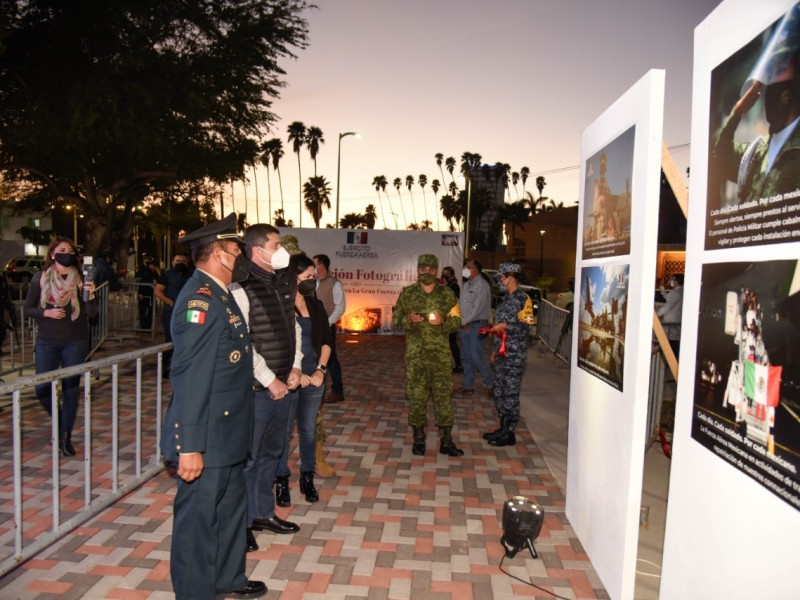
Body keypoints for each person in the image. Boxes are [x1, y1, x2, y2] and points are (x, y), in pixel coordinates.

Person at [159, 214, 266, 600]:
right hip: (207, 436)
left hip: (229, 434)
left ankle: (226, 579)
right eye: (238, 250)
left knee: (230, 512)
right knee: (198, 523)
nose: (243, 257)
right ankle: (195, 593)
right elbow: (191, 378)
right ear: (220, 254)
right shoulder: (200, 300)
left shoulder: (222, 295)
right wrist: (189, 445)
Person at [229, 224, 302, 554]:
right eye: (276, 244)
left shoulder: (282, 282)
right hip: (258, 390)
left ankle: (261, 513)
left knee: (272, 454)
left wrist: (296, 366)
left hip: (283, 385)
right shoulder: (241, 288)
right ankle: (240, 524)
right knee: (248, 457)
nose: (281, 249)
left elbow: (294, 328)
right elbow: (241, 341)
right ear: (258, 251)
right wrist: (268, 378)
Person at [24, 237, 97, 457]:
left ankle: (65, 436)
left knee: (70, 389)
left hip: (75, 341)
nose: (68, 253)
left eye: (71, 250)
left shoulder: (82, 279)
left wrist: (91, 295)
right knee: (41, 388)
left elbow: (93, 314)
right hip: (47, 340)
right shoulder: (40, 278)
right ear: (52, 254)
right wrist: (45, 312)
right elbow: (28, 308)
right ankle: (59, 419)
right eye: (62, 249)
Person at [392, 254, 464, 457]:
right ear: (417, 270)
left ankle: (447, 441)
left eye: (430, 269)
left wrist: (443, 321)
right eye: (422, 268)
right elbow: (396, 318)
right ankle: (419, 439)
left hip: (440, 357)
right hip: (416, 357)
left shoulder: (447, 295)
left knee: (443, 398)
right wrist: (408, 319)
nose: (426, 272)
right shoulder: (407, 294)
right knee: (416, 398)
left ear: (436, 270)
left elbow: (457, 320)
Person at [275, 251, 332, 504]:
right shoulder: (278, 303)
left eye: (314, 276)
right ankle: (281, 479)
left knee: (308, 429)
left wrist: (320, 369)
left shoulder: (315, 304)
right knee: (284, 430)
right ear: (292, 276)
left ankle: (307, 477)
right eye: (308, 276)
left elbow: (328, 341)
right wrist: (294, 373)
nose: (313, 280)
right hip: (288, 375)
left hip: (315, 374)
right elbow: (274, 345)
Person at [713, 47, 800, 204]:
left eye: (778, 74)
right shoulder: (757, 151)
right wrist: (737, 112)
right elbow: (720, 157)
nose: (768, 86)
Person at [483, 263, 535, 447]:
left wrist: (504, 326)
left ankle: (510, 432)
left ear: (510, 277)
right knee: (500, 392)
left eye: (501, 277)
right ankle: (503, 428)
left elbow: (527, 327)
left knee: (510, 393)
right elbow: (499, 332)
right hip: (502, 353)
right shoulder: (506, 299)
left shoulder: (522, 299)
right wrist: (495, 351)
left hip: (514, 355)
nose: (499, 281)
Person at [455, 258, 494, 397]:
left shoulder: (482, 285)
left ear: (475, 270)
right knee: (465, 356)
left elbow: (477, 309)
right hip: (465, 326)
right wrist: (460, 321)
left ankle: (492, 385)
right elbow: (461, 305)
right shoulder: (466, 285)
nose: (465, 269)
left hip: (476, 325)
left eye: (468, 267)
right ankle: (468, 385)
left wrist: (463, 322)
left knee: (476, 357)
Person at [312, 254, 346, 403]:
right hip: (312, 326)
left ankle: (338, 391)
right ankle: (315, 388)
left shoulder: (335, 283)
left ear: (323, 265)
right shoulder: (311, 282)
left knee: (331, 359)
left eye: (315, 265)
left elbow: (340, 308)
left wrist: (327, 323)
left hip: (327, 327)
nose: (313, 268)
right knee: (313, 357)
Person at [154, 252, 192, 377]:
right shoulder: (166, 275)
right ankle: (165, 367)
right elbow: (158, 291)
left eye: (183, 261)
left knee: (189, 338)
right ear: (172, 262)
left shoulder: (191, 274)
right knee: (170, 339)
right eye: (178, 261)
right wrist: (170, 303)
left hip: (189, 312)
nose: (181, 263)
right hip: (170, 312)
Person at [440, 266, 462, 373]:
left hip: (451, 318)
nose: (444, 276)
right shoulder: (443, 285)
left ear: (452, 275)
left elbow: (452, 300)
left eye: (447, 274)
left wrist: (445, 287)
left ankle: (458, 364)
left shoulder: (454, 286)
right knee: (446, 342)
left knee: (452, 342)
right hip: (442, 317)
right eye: (443, 274)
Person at [657, 273, 684, 359]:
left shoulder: (675, 293)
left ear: (678, 281)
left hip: (671, 327)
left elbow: (667, 307)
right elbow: (670, 299)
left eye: (673, 279)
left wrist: (656, 315)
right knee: (675, 350)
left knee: (668, 352)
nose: (671, 281)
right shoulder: (682, 291)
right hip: (676, 326)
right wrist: (663, 291)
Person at [135, 255, 159, 329]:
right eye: (146, 259)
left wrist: (153, 270)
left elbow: (157, 278)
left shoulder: (152, 269)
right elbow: (139, 281)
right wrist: (139, 293)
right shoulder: (140, 269)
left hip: (151, 292)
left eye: (149, 259)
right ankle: (143, 327)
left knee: (153, 309)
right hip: (143, 292)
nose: (148, 261)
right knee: (142, 310)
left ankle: (148, 326)